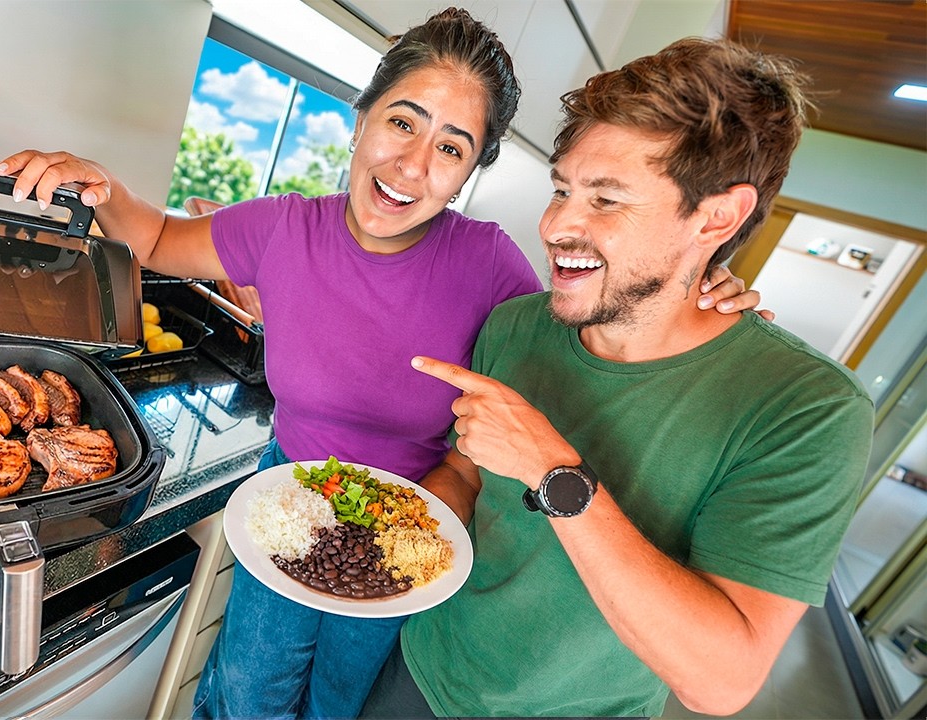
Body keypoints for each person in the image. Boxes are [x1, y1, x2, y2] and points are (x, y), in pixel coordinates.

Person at [0, 11, 762, 718]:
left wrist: (693, 289)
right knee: (245, 693)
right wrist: (100, 188)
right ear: (363, 119)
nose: (413, 163)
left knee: (341, 704)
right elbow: (159, 240)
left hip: (412, 524)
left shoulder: (488, 263)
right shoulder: (283, 227)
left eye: (451, 148)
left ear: (467, 175)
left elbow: (580, 342)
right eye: (402, 121)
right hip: (284, 499)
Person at [359, 37, 875, 718]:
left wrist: (553, 470)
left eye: (606, 200)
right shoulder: (516, 324)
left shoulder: (809, 409)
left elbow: (720, 681)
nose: (555, 224)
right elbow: (466, 472)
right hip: (422, 668)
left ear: (716, 217)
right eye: (563, 189)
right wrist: (387, 550)